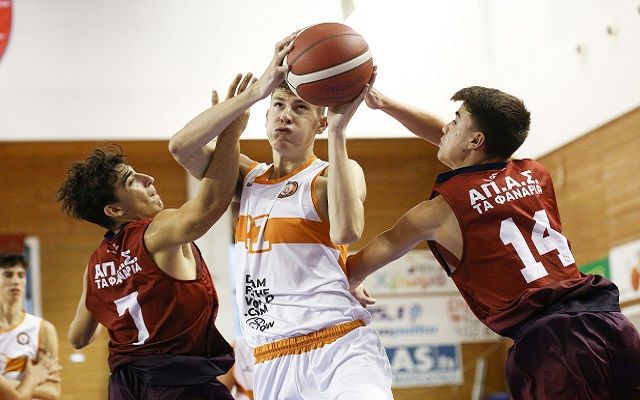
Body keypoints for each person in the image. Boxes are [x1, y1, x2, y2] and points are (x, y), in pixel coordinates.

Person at [347, 86, 640, 399]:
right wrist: (386, 104)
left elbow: (361, 263)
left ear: (476, 140)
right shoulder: (534, 173)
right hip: (612, 324)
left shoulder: (437, 213)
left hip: (556, 345)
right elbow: (475, 148)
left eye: (455, 121)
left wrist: (352, 282)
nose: (445, 128)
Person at [169, 33, 393, 400]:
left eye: (300, 108)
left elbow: (348, 231)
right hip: (272, 357)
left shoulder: (332, 174)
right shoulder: (248, 179)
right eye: (277, 105)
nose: (286, 115)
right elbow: (181, 146)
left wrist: (339, 132)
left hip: (339, 344)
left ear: (320, 124)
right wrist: (252, 94)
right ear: (266, 116)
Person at [57, 76, 252, 399]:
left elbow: (78, 337)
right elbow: (210, 205)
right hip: (176, 382)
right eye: (132, 180)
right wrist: (231, 132)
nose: (148, 178)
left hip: (125, 387)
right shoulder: (155, 233)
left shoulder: (96, 265)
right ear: (114, 210)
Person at [0, 253, 61, 400]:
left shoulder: (42, 329)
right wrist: (32, 379)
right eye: (8, 275)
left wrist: (9, 386)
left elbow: (53, 392)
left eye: (21, 275)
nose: (15, 281)